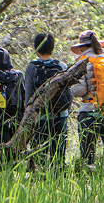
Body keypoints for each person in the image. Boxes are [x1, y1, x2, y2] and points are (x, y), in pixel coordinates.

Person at [68, 29, 104, 168]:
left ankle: (89, 185)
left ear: (82, 47)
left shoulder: (81, 62)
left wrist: (69, 88)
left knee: (88, 158)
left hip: (89, 113)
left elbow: (79, 90)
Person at [23, 33, 71, 170]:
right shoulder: (61, 65)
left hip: (41, 117)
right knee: (59, 154)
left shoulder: (32, 67)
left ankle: (40, 181)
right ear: (52, 48)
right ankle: (59, 178)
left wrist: (27, 116)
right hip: (61, 115)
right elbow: (68, 92)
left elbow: (28, 94)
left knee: (40, 154)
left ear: (36, 48)